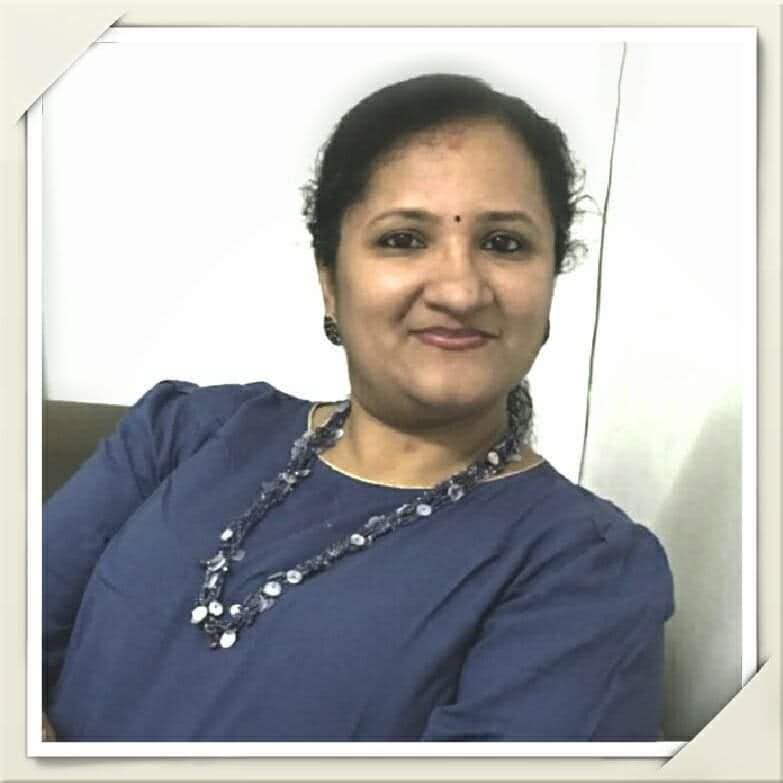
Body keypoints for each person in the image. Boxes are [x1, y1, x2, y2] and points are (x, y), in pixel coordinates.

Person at [42, 73, 674, 742]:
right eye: (403, 239)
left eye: (504, 244)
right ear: (330, 283)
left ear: (548, 288)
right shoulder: (186, 432)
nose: (459, 290)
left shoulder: (584, 568)